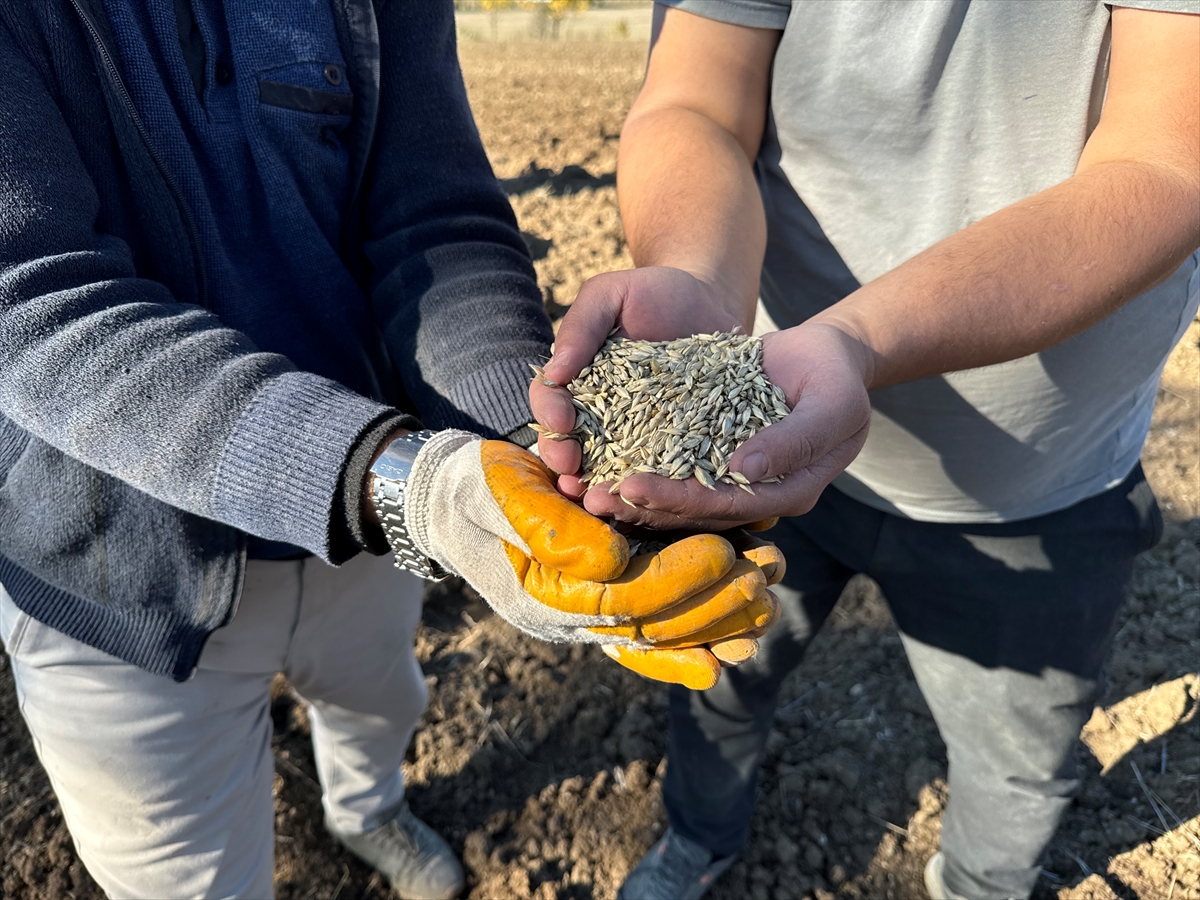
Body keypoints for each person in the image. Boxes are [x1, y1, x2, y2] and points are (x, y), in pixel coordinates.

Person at [0, 1, 779, 898]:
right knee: (187, 874)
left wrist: (527, 449)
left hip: (373, 517)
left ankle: (367, 811)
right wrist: (404, 485)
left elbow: (433, 220)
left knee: (379, 704)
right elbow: (33, 299)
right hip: (114, 569)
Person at [531, 2, 1200, 898]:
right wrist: (695, 276)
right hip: (757, 447)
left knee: (1018, 757)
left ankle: (982, 883)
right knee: (717, 675)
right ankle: (698, 836)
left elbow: (1165, 162)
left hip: (1043, 483)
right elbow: (697, 103)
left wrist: (856, 341)